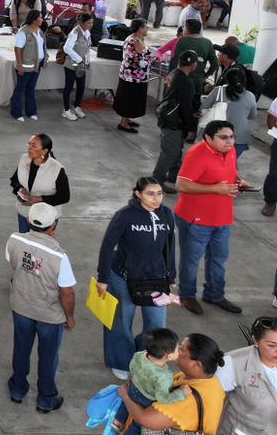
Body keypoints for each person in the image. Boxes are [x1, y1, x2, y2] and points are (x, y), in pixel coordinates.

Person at [96, 177, 178, 379]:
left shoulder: (167, 214)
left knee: (156, 324)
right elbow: (108, 246)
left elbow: (169, 246)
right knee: (122, 321)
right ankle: (122, 361)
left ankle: (145, 357)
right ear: (138, 194)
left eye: (159, 194)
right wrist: (103, 277)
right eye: (150, 194)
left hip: (156, 280)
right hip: (123, 277)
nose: (156, 198)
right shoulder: (125, 216)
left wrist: (171, 276)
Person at [6, 202, 75, 412]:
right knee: (48, 357)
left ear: (28, 220)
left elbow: (13, 262)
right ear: (53, 225)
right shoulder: (59, 256)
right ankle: (46, 398)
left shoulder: (14, 239)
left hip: (21, 307)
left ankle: (18, 389)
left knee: (21, 349)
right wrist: (70, 317)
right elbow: (67, 292)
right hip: (49, 315)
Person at [175, 118, 248, 315]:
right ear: (208, 138)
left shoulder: (230, 151)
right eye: (223, 137)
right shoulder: (197, 155)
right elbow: (181, 184)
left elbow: (230, 172)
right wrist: (215, 189)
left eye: (232, 137)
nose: (230, 141)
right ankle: (187, 294)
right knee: (191, 260)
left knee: (218, 258)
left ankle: (215, 294)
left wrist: (239, 181)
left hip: (222, 218)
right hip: (196, 219)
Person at [107, 327, 188, 435]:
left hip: (134, 387)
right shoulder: (163, 376)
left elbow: (132, 367)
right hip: (146, 399)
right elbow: (163, 398)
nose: (179, 350)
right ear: (168, 356)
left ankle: (117, 421)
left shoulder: (140, 355)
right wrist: (181, 393)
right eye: (177, 349)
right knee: (139, 425)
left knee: (129, 399)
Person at [153, 51, 201, 189]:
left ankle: (173, 177)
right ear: (193, 65)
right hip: (174, 122)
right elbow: (186, 107)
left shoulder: (173, 73)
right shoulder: (186, 82)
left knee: (176, 151)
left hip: (168, 117)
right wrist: (191, 126)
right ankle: (157, 182)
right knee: (169, 153)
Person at [8, 133, 69, 233]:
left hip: (45, 218)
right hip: (25, 212)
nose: (29, 148)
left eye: (33, 146)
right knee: (25, 240)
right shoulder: (24, 160)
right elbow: (14, 180)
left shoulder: (57, 169)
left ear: (44, 151)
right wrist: (20, 189)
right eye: (29, 144)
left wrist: (40, 199)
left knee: (42, 241)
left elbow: (64, 196)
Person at [206, 65, 257, 160]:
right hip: (239, 138)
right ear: (244, 80)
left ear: (227, 80)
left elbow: (204, 107)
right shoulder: (250, 96)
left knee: (213, 162)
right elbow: (252, 116)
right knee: (229, 163)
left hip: (218, 135)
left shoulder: (218, 91)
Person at [113, 19, 154, 133]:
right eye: (145, 27)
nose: (147, 29)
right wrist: (154, 57)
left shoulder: (137, 38)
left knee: (131, 99)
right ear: (140, 29)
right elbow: (142, 59)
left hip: (132, 75)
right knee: (129, 99)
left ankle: (126, 119)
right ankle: (123, 123)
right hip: (133, 77)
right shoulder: (135, 41)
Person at [10, 10, 45, 122]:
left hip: (36, 65)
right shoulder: (23, 32)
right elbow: (18, 49)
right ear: (34, 20)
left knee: (31, 88)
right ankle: (16, 112)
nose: (42, 19)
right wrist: (20, 66)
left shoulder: (39, 31)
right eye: (40, 18)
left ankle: (31, 111)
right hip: (26, 66)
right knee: (20, 89)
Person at [61, 12, 93, 120]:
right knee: (68, 88)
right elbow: (66, 48)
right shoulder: (75, 32)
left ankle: (77, 107)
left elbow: (87, 48)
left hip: (81, 65)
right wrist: (79, 59)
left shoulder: (87, 32)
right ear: (82, 23)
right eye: (88, 23)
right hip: (71, 65)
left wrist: (86, 61)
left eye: (92, 22)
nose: (91, 25)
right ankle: (66, 110)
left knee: (81, 86)